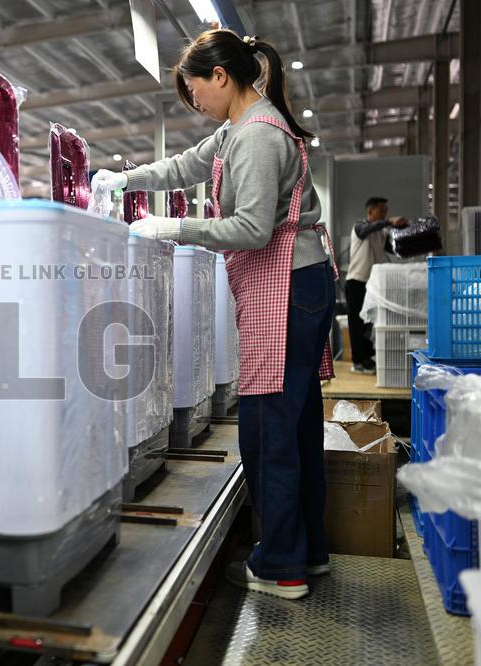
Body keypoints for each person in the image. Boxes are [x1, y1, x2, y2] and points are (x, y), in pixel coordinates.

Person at [92, 29, 336, 600]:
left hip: (288, 288)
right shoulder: (241, 127)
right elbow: (185, 166)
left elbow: (251, 230)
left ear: (221, 77)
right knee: (296, 426)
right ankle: (309, 551)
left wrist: (172, 228)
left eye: (195, 90)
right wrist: (125, 178)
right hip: (302, 284)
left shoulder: (256, 137)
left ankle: (279, 567)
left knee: (266, 430)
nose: (195, 102)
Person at [345, 197, 409, 374]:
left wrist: (403, 230)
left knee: (369, 323)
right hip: (356, 281)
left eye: (386, 212)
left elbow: (394, 250)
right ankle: (357, 361)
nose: (385, 215)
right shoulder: (359, 226)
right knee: (357, 323)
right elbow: (367, 229)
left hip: (372, 284)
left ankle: (367, 358)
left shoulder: (383, 232)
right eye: (381, 211)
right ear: (370, 211)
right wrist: (388, 222)